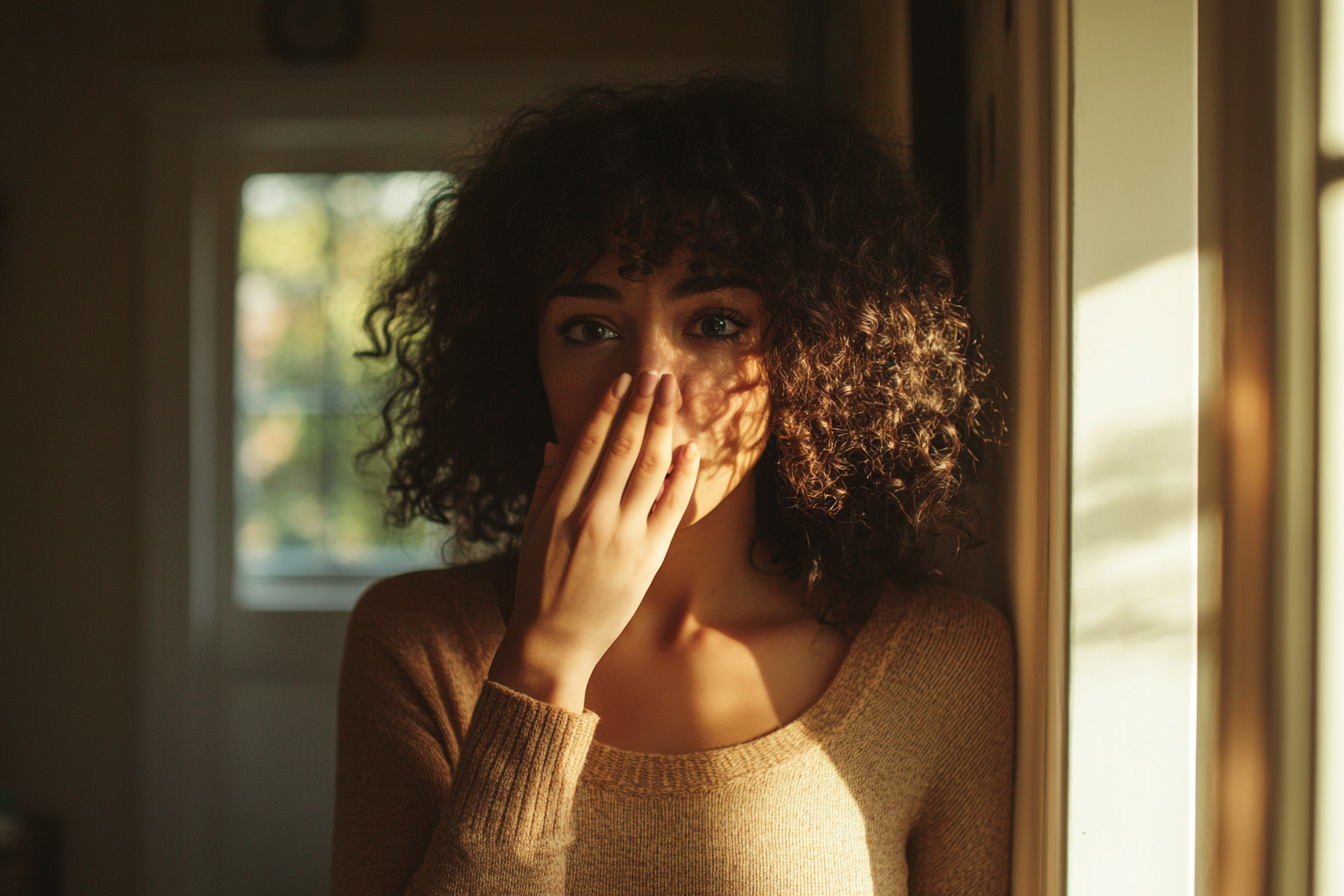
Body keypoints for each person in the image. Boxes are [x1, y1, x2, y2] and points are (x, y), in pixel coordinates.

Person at [331, 75, 1014, 896]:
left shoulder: (941, 662)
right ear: (525, 364)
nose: (649, 376)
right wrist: (544, 664)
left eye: (715, 323)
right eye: (590, 328)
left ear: (811, 349)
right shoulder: (417, 645)